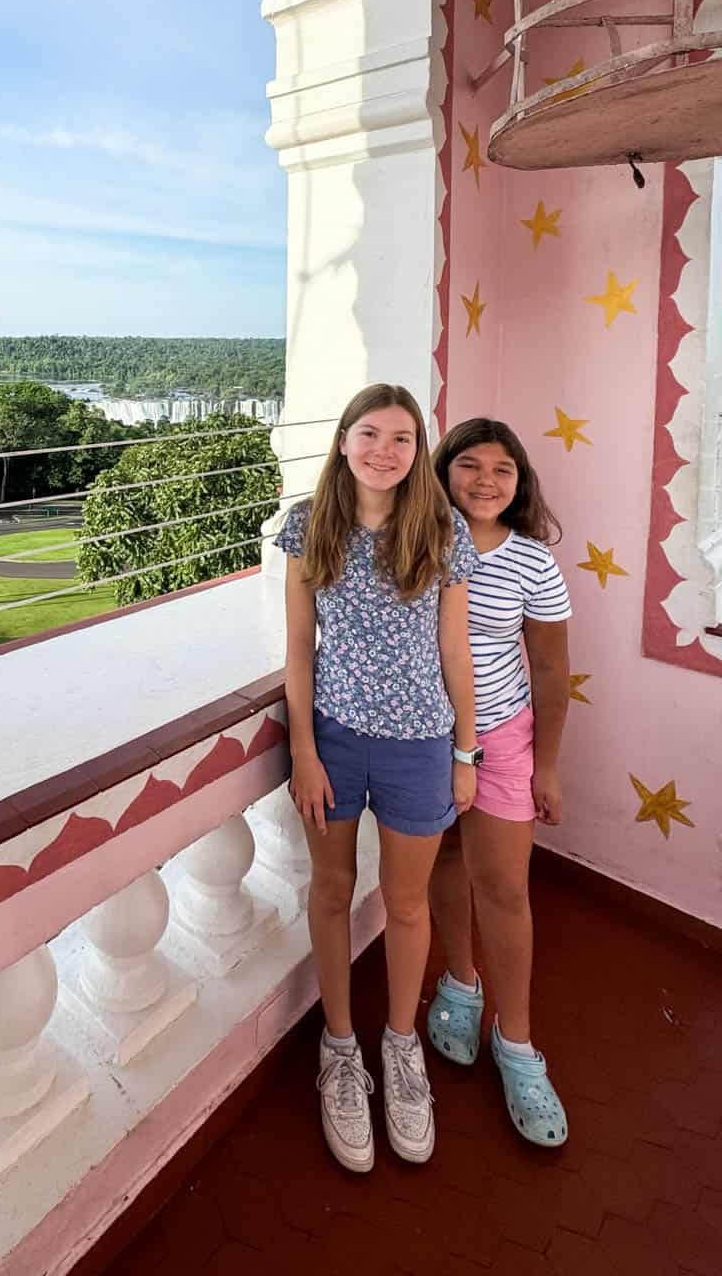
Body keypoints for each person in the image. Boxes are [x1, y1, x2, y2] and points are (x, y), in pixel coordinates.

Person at [277, 383, 479, 1173]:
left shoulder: (441, 528)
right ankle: (339, 1049)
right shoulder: (310, 524)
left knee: (405, 902)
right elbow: (299, 646)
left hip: (420, 742)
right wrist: (302, 748)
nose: (384, 451)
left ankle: (400, 1051)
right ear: (342, 441)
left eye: (401, 438)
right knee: (331, 890)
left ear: (416, 449)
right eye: (370, 434)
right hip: (331, 738)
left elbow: (454, 649)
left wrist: (466, 751)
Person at [426, 418, 571, 1148]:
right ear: (443, 472)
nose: (486, 480)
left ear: (519, 484)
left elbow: (548, 669)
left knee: (505, 890)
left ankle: (517, 1047)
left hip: (503, 739)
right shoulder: (417, 545)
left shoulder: (532, 562)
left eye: (502, 470)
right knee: (445, 862)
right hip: (426, 740)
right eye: (470, 465)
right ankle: (459, 982)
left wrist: (546, 763)